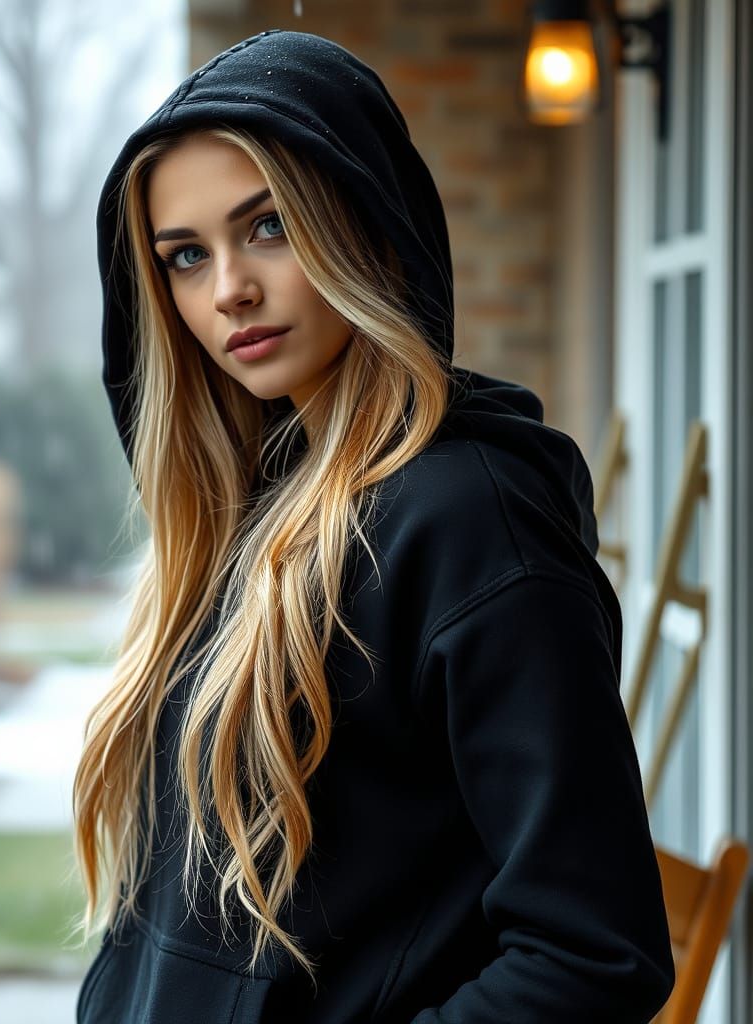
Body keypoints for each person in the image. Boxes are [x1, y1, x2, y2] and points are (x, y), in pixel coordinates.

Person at [72, 28, 675, 1024]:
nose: (228, 289)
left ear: (364, 223)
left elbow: (591, 952)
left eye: (267, 226)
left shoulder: (470, 521)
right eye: (186, 255)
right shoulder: (254, 512)